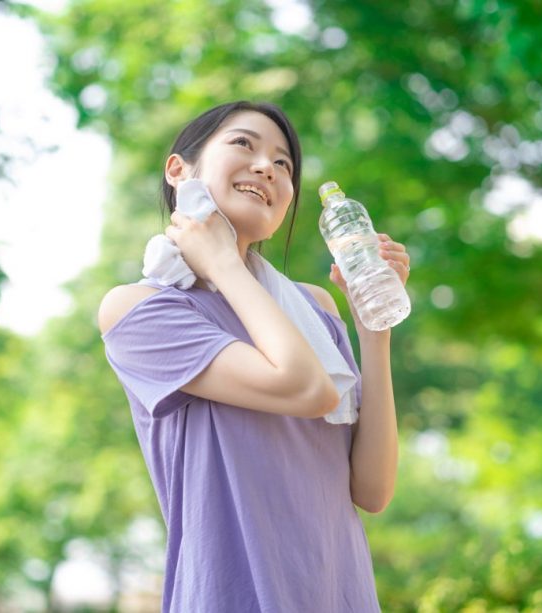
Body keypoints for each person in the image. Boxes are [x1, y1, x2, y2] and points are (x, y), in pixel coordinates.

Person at [98, 101, 410, 612]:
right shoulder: (141, 311)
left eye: (283, 164)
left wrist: (372, 327)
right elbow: (306, 389)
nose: (267, 166)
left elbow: (372, 489)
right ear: (179, 171)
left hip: (339, 593)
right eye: (243, 144)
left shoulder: (314, 308)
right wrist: (222, 261)